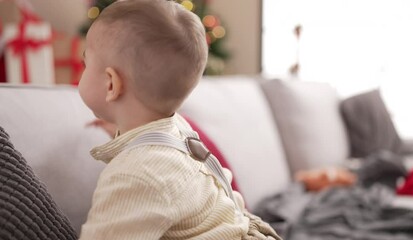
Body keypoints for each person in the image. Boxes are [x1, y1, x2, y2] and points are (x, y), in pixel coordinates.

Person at [78, 0, 281, 239]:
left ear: (110, 83)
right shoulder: (177, 130)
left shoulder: (134, 175)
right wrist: (120, 127)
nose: (82, 68)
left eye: (85, 62)